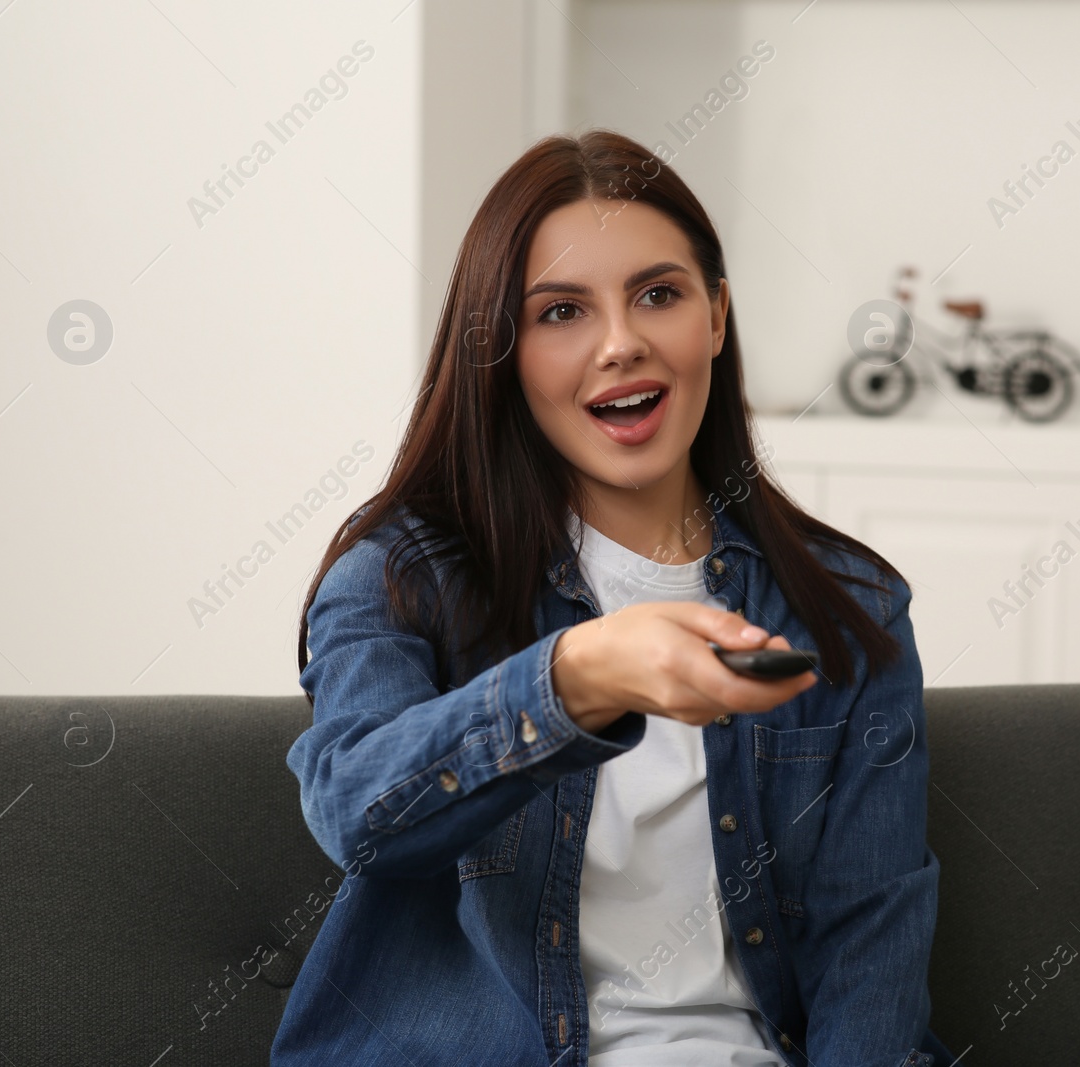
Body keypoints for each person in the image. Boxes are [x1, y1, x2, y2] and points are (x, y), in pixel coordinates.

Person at [271, 129, 953, 1067]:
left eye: (659, 295)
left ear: (715, 316)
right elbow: (357, 814)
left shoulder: (849, 607)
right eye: (561, 313)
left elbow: (871, 944)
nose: (620, 343)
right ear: (503, 349)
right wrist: (574, 677)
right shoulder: (400, 575)